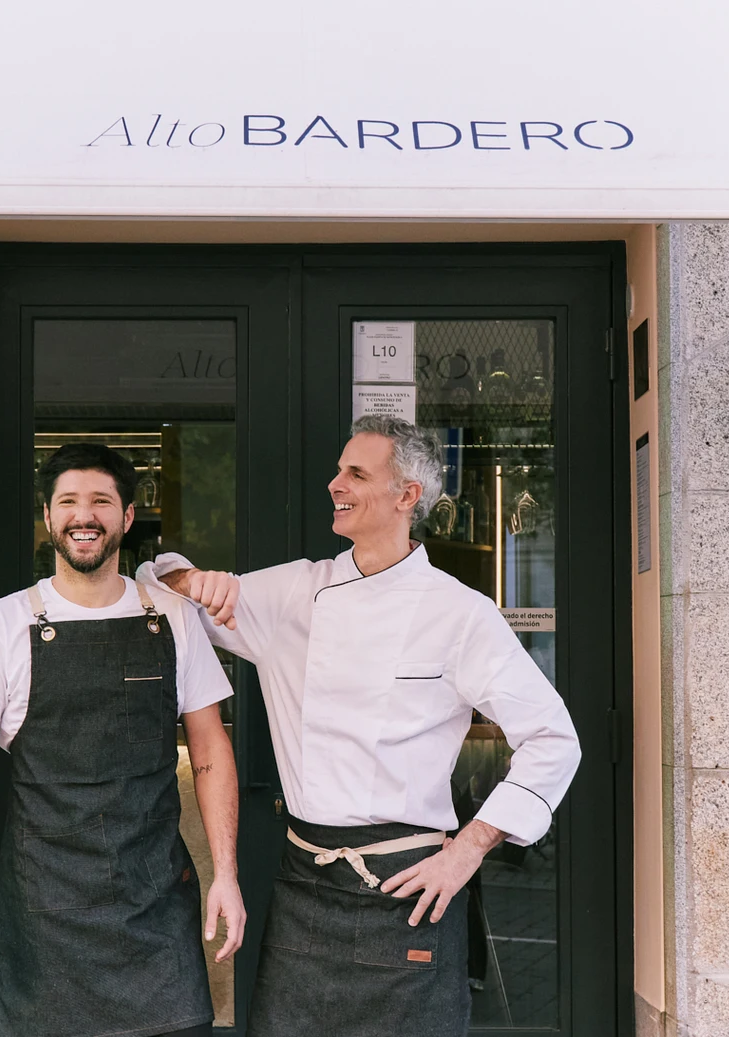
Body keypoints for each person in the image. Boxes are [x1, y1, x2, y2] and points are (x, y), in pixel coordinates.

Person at [144, 414, 580, 1037]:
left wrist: (466, 853)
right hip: (305, 886)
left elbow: (553, 739)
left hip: (409, 889)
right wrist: (192, 579)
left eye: (355, 472)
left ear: (407, 496)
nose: (334, 483)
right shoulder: (298, 591)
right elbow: (163, 593)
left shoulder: (460, 613)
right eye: (338, 468)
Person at [0, 443, 245, 1037]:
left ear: (127, 518)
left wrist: (226, 875)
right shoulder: (2, 624)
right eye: (69, 502)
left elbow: (209, 752)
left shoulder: (173, 616)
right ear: (48, 517)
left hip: (154, 902)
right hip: (45, 907)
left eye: (102, 501)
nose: (86, 515)